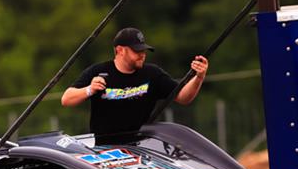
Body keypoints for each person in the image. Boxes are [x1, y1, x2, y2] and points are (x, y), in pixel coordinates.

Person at [61, 27, 209, 145]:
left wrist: (198, 77)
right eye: (137, 50)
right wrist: (89, 90)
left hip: (142, 147)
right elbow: (66, 99)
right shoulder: (98, 71)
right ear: (120, 50)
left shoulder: (152, 74)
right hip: (105, 151)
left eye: (144, 50)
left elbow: (183, 97)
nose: (142, 54)